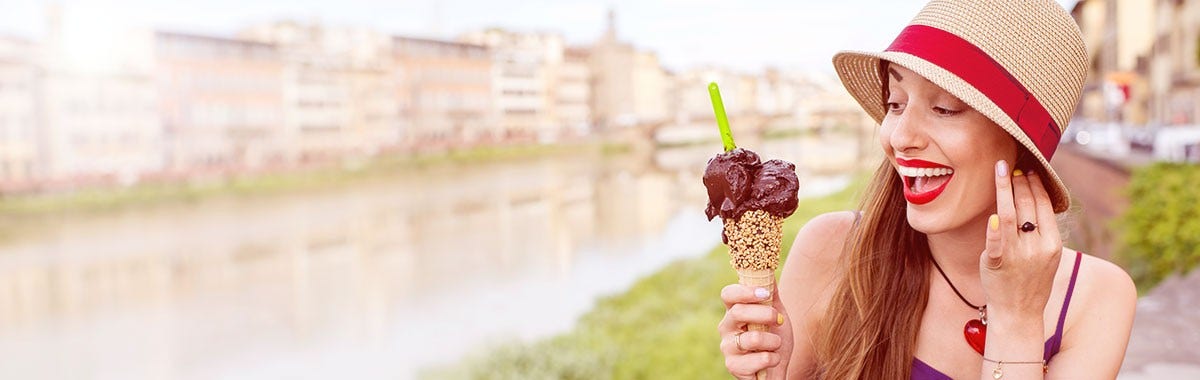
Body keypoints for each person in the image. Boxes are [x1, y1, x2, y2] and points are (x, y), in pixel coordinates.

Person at [717, 0, 1138, 379]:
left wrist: (1017, 319)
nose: (900, 136)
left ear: (1022, 149)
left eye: (944, 108)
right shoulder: (830, 251)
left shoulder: (1097, 298)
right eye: (895, 103)